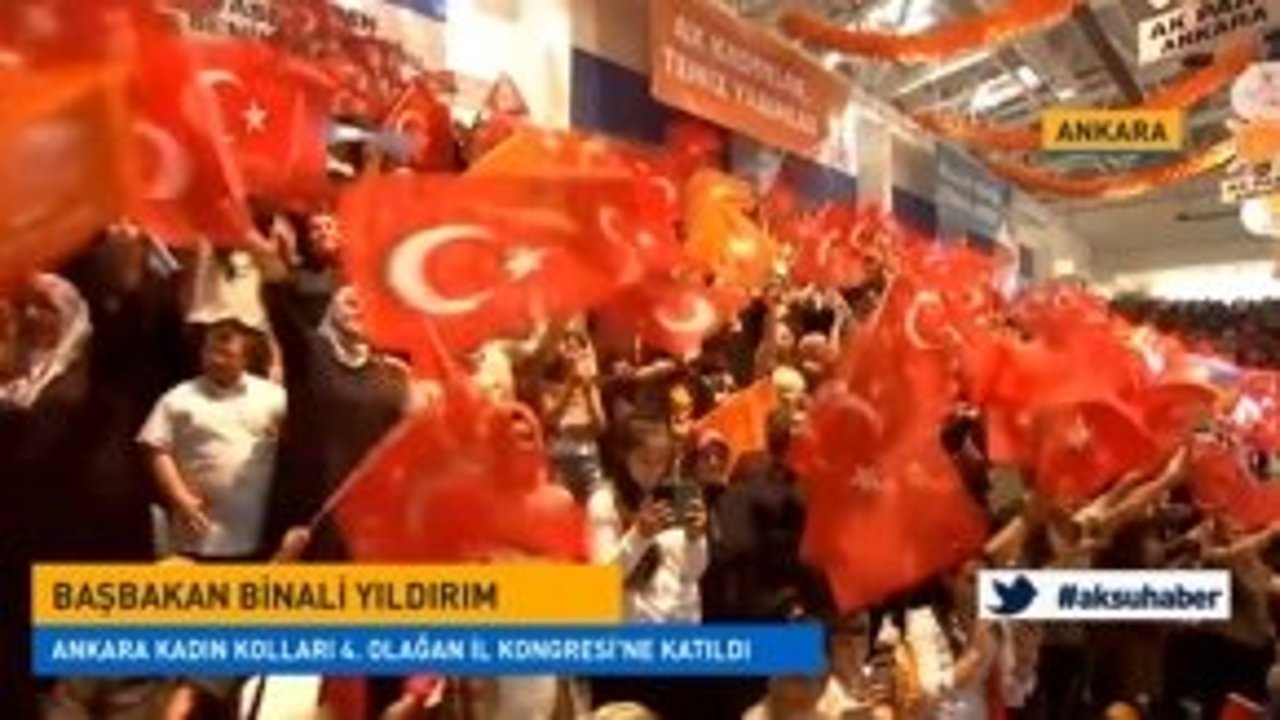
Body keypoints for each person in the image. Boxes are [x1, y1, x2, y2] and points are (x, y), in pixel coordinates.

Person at [137, 319, 286, 560]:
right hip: (199, 533)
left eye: (227, 354)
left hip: (259, 534)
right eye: (210, 351)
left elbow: (297, 442)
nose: (216, 360)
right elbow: (156, 449)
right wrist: (180, 498)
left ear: (245, 359)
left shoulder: (273, 397)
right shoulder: (177, 398)